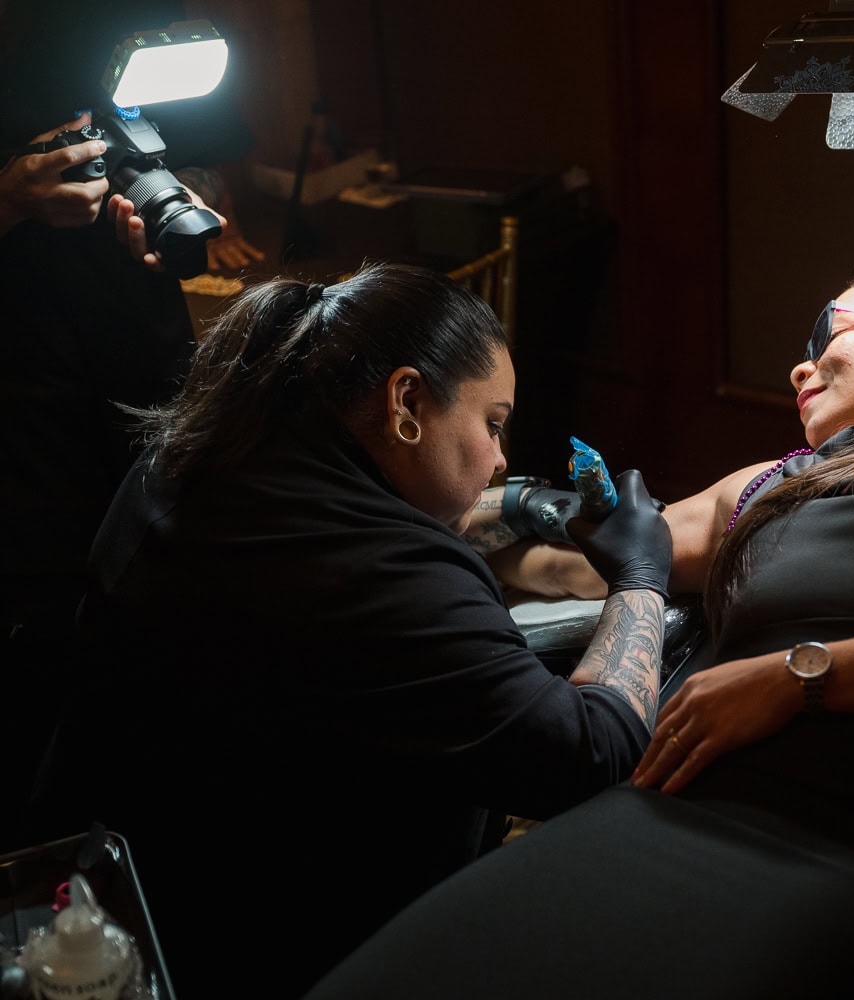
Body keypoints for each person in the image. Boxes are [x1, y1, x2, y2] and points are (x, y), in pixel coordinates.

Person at [304, 269, 854, 999]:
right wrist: (513, 509)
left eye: (830, 328)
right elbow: (575, 563)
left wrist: (798, 675)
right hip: (665, 810)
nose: (799, 364)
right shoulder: (770, 487)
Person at [23, 262, 673, 999]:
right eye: (492, 424)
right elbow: (596, 751)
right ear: (407, 400)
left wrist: (522, 506)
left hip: (120, 882)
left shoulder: (199, 460)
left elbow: (386, 523)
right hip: (265, 951)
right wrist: (641, 578)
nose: (499, 457)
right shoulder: (379, 578)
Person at [0, 0, 262, 830]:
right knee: (55, 628)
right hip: (23, 387)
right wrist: (7, 199)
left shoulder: (149, 20)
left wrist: (174, 197)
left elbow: (208, 154)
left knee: (178, 557)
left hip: (140, 345)